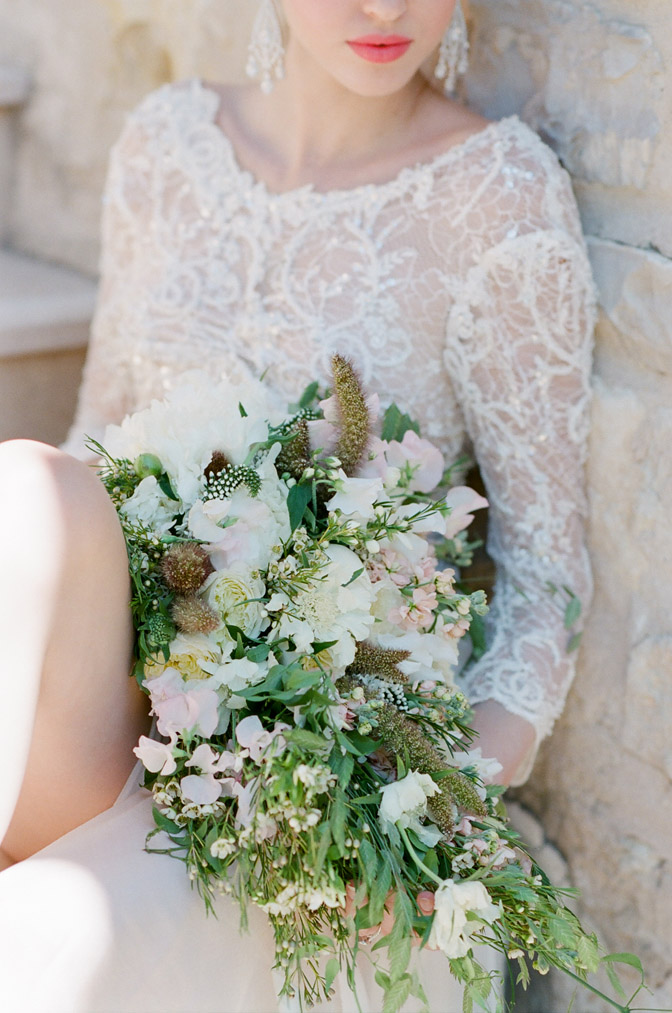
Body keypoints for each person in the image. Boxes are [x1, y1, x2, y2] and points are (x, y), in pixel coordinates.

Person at [0, 0, 595, 1009]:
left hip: (311, 794)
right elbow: (95, 440)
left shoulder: (494, 192)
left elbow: (546, 590)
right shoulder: (165, 147)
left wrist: (418, 819)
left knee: (45, 938)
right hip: (126, 710)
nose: (384, 7)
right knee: (28, 486)